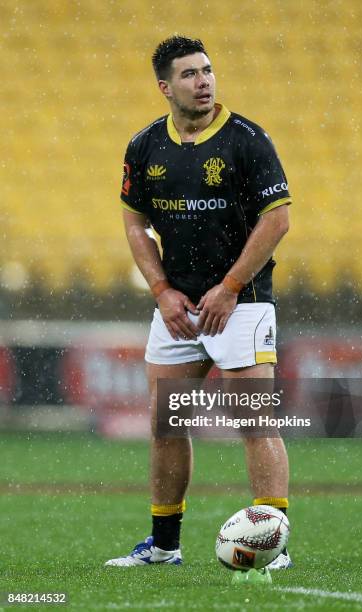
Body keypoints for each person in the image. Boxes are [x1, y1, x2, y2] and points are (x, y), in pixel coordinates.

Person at [105, 36, 292, 569]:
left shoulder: (247, 140)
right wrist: (163, 291)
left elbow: (277, 220)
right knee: (167, 422)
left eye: (207, 70)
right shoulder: (144, 147)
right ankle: (164, 545)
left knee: (256, 422)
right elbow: (134, 222)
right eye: (189, 74)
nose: (204, 81)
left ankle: (275, 545)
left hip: (244, 302)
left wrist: (231, 287)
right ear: (165, 87)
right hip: (179, 308)